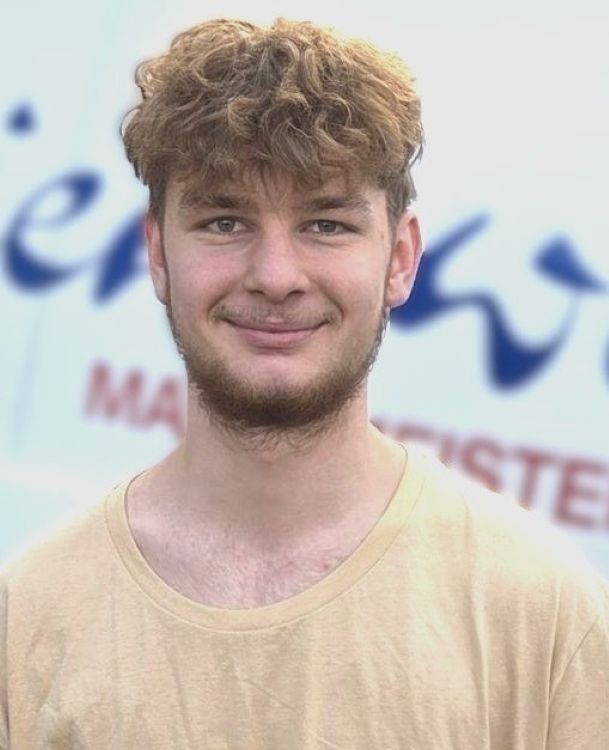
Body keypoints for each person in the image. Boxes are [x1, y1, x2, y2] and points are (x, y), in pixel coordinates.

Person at [1, 17, 607, 749]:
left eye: (325, 224)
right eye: (225, 222)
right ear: (158, 254)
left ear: (400, 258)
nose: (276, 276)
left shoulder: (543, 614)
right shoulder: (25, 621)